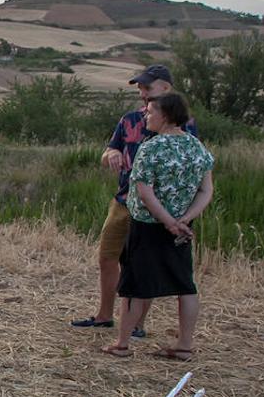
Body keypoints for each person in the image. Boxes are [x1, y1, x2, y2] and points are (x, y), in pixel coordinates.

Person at [72, 64, 199, 336]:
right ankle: (105, 315)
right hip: (122, 201)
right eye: (140, 88)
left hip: (155, 209)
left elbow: (192, 166)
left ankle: (136, 326)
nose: (142, 93)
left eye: (147, 87)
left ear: (165, 87)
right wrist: (111, 155)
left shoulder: (183, 125)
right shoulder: (129, 119)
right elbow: (109, 149)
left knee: (141, 266)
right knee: (107, 257)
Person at [104, 93, 214, 361]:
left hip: (148, 225)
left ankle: (122, 343)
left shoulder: (151, 148)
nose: (145, 116)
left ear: (165, 116)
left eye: (150, 111)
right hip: (181, 229)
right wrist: (184, 220)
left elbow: (144, 193)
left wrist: (168, 221)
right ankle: (184, 346)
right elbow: (206, 191)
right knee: (185, 285)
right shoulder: (197, 147)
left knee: (135, 286)